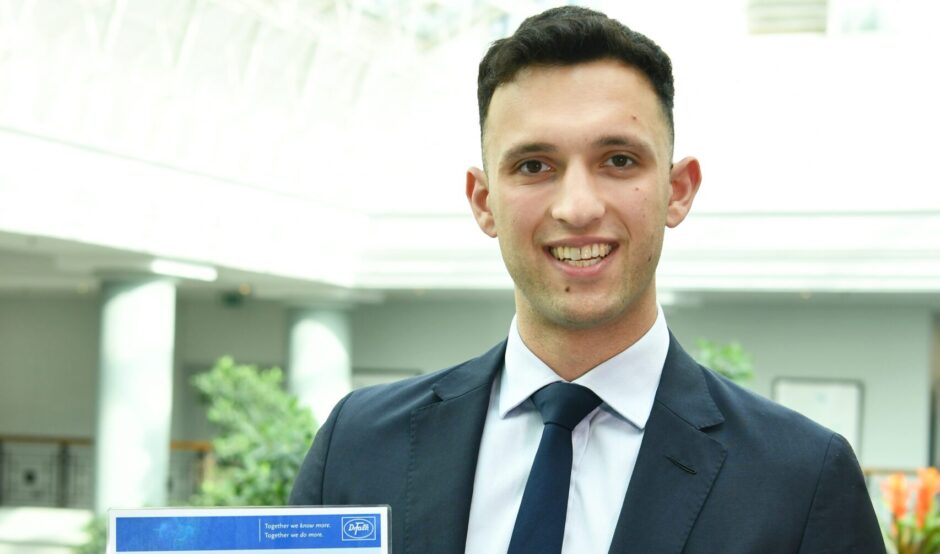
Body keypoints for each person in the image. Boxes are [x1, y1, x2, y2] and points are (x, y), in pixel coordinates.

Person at [290, 6, 885, 553]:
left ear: (676, 191)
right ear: (483, 201)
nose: (577, 207)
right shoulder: (360, 444)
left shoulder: (801, 479)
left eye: (619, 160)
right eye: (534, 166)